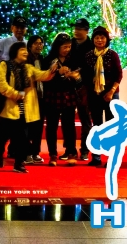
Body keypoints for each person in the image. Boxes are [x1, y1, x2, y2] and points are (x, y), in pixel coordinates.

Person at [0, 41, 56, 173]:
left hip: (24, 110)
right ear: (15, 52)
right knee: (3, 136)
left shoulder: (28, 68)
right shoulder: (5, 65)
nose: (25, 52)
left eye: (26, 50)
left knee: (22, 138)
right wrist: (16, 94)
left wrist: (52, 70)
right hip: (9, 108)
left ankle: (19, 163)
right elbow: (1, 84)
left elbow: (43, 75)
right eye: (22, 50)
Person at [84, 26, 123, 167]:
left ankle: (111, 158)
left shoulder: (112, 55)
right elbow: (86, 76)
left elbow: (119, 75)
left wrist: (111, 92)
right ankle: (96, 157)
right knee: (97, 126)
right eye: (97, 37)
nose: (99, 40)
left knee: (112, 127)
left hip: (111, 94)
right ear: (93, 40)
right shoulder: (89, 55)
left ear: (106, 40)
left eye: (102, 37)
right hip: (95, 95)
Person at [42, 33, 80, 167]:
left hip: (69, 95)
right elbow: (44, 80)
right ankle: (52, 154)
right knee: (51, 126)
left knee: (69, 125)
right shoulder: (48, 60)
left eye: (69, 47)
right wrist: (57, 73)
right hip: (52, 95)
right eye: (64, 47)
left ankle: (71, 152)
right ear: (57, 47)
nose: (67, 49)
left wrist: (74, 76)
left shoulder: (73, 59)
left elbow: (79, 79)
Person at [69, 18, 93, 162]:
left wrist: (79, 73)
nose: (76, 31)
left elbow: (92, 68)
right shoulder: (70, 43)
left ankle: (84, 150)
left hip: (85, 87)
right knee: (68, 120)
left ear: (86, 31)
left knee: (85, 120)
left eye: (79, 29)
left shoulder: (91, 46)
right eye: (75, 28)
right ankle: (70, 150)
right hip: (68, 86)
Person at [24, 34, 46, 164]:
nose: (39, 46)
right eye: (36, 43)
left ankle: (35, 152)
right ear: (30, 46)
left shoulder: (43, 59)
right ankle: (27, 153)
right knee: (27, 126)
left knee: (38, 126)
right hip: (29, 97)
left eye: (41, 43)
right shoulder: (26, 60)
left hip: (41, 97)